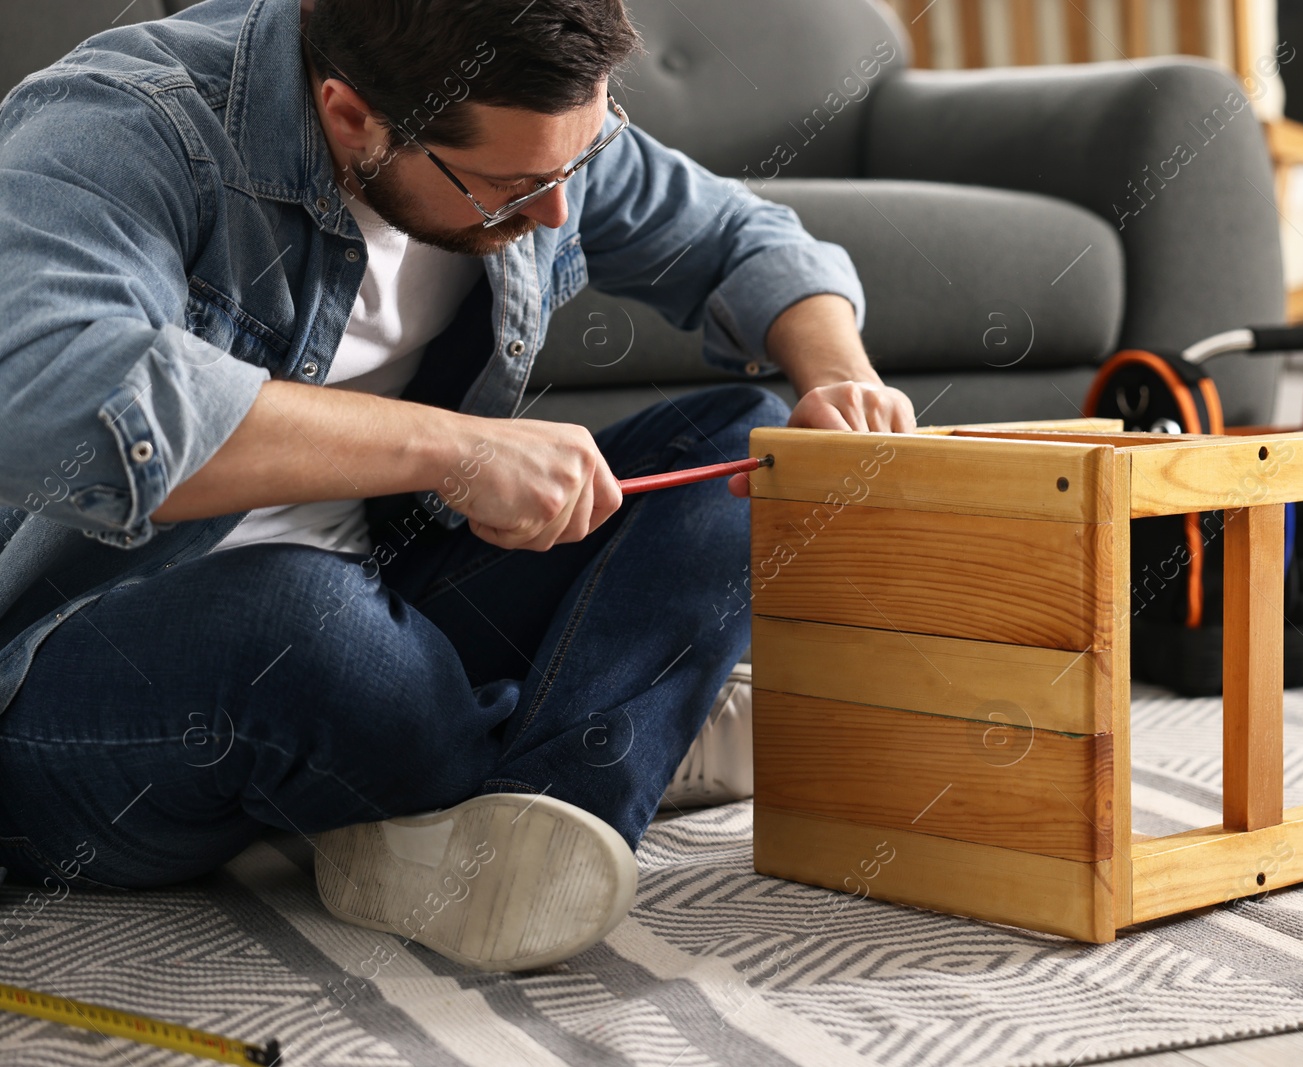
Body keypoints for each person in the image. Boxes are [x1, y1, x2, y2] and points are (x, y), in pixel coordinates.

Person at [0, 0, 914, 972]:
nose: (559, 210)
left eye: (578, 160)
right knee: (303, 618)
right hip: (84, 679)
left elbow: (742, 236)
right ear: (354, 117)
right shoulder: (129, 122)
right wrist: (453, 449)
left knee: (755, 445)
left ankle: (544, 810)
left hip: (384, 606)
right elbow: (55, 398)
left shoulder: (531, 128)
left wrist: (841, 380)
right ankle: (603, 726)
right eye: (514, 187)